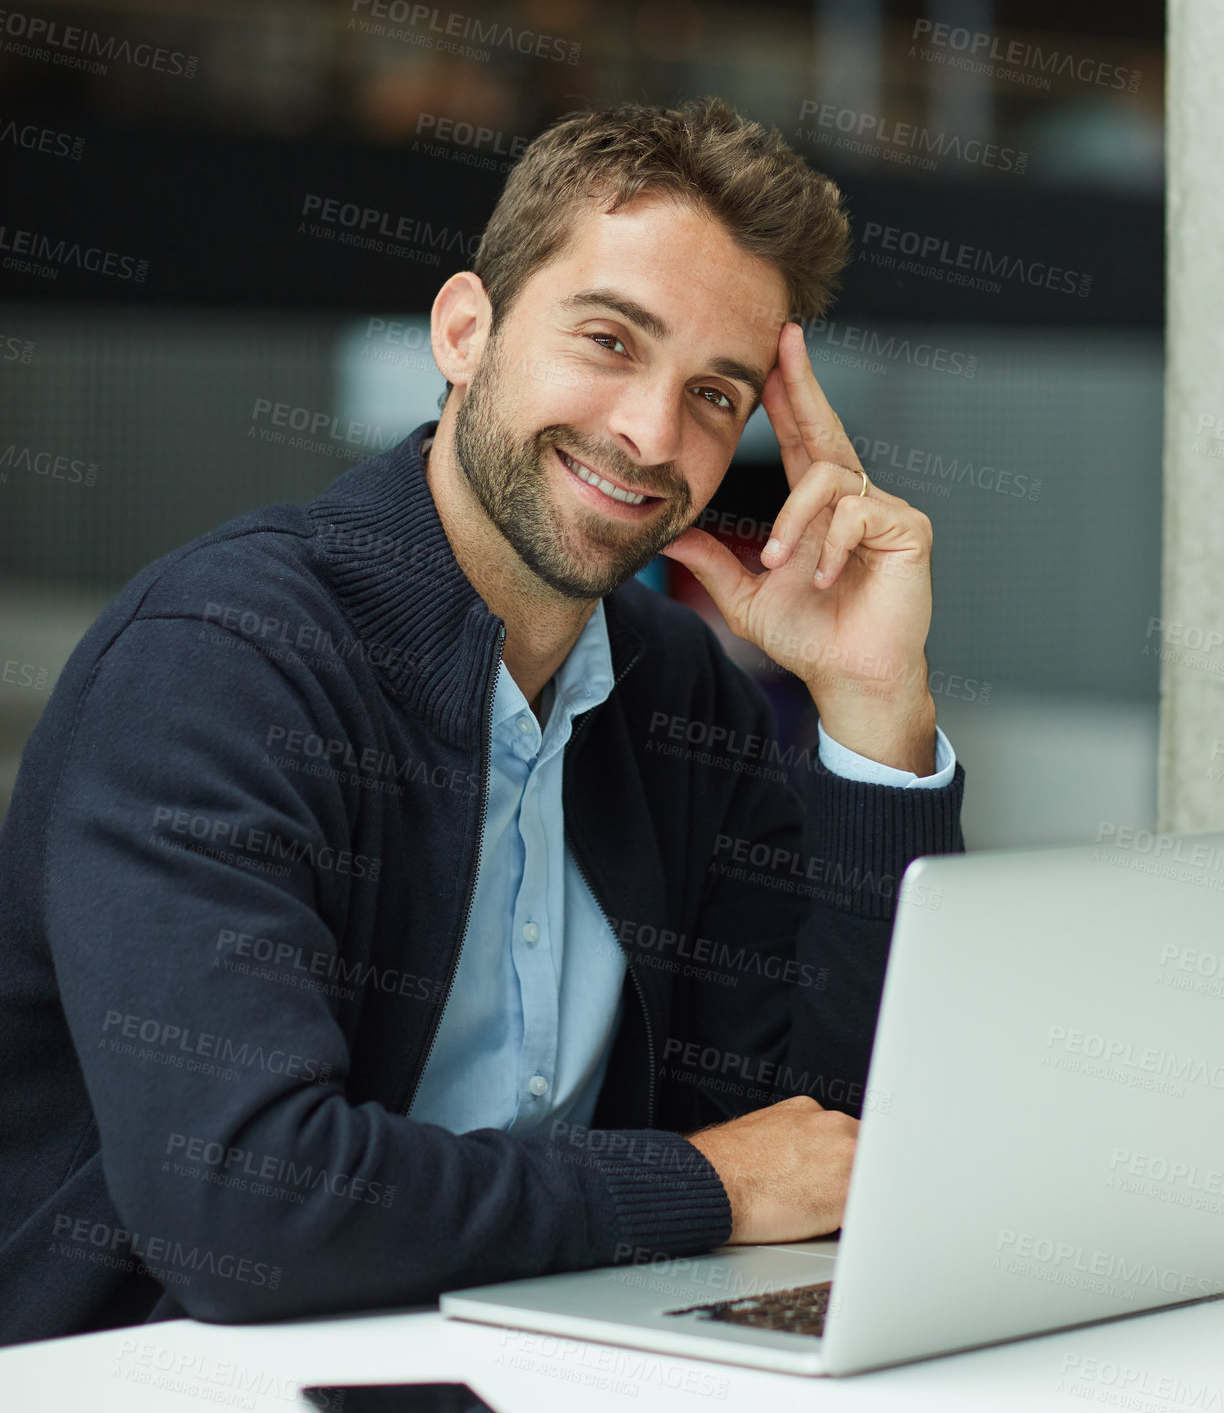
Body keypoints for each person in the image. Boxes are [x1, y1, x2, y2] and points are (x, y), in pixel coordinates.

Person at [0, 97, 963, 1345]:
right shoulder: (223, 662)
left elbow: (825, 1146)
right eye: (611, 339)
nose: (650, 433)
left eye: (717, 395)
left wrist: (876, 716)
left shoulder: (680, 695)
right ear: (466, 329)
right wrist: (708, 1187)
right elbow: (244, 1206)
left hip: (535, 1356)